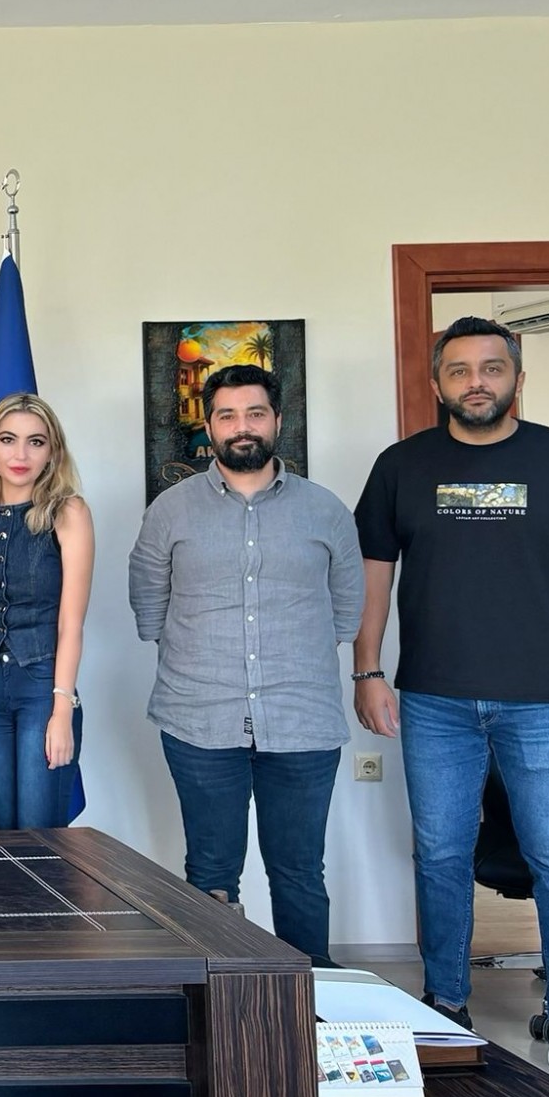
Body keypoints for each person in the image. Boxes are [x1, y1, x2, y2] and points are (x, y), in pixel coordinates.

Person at [353, 315, 549, 1086]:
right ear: (436, 382)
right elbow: (375, 571)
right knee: (442, 854)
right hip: (435, 698)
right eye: (458, 370)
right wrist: (366, 669)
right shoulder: (401, 466)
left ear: (517, 376)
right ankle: (445, 1007)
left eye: (491, 368)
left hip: (547, 698)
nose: (475, 382)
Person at [129, 364, 362, 965]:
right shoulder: (171, 510)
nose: (242, 426)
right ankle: (222, 997)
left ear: (277, 421)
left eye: (255, 413)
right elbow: (149, 603)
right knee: (210, 871)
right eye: (227, 415)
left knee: (299, 870)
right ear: (209, 427)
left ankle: (308, 996)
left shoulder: (326, 510)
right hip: (198, 719)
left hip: (303, 720)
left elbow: (346, 610)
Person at [0, 392, 94, 829]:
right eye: (8, 439)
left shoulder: (68, 512)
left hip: (43, 687)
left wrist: (62, 710)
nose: (20, 455)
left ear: (52, 450)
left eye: (36, 441)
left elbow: (71, 623)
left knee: (40, 835)